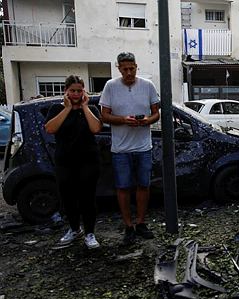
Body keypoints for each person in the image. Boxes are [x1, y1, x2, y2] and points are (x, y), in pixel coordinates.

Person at [99, 52, 160, 246]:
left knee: (144, 185)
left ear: (136, 66)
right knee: (123, 188)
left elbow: (156, 113)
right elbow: (104, 116)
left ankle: (141, 222)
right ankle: (128, 226)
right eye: (124, 69)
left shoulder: (147, 85)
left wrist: (146, 122)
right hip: (121, 149)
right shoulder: (110, 86)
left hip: (143, 147)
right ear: (119, 68)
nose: (128, 72)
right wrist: (123, 120)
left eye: (131, 68)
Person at [44, 75, 103, 249]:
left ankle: (90, 233)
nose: (76, 94)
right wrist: (67, 108)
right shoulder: (56, 109)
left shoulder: (91, 108)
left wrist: (84, 107)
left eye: (79, 90)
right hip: (65, 161)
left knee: (88, 198)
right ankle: (74, 229)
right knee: (68, 197)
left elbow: (96, 128)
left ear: (84, 91)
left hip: (89, 160)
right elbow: (50, 128)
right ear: (66, 91)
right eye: (72, 91)